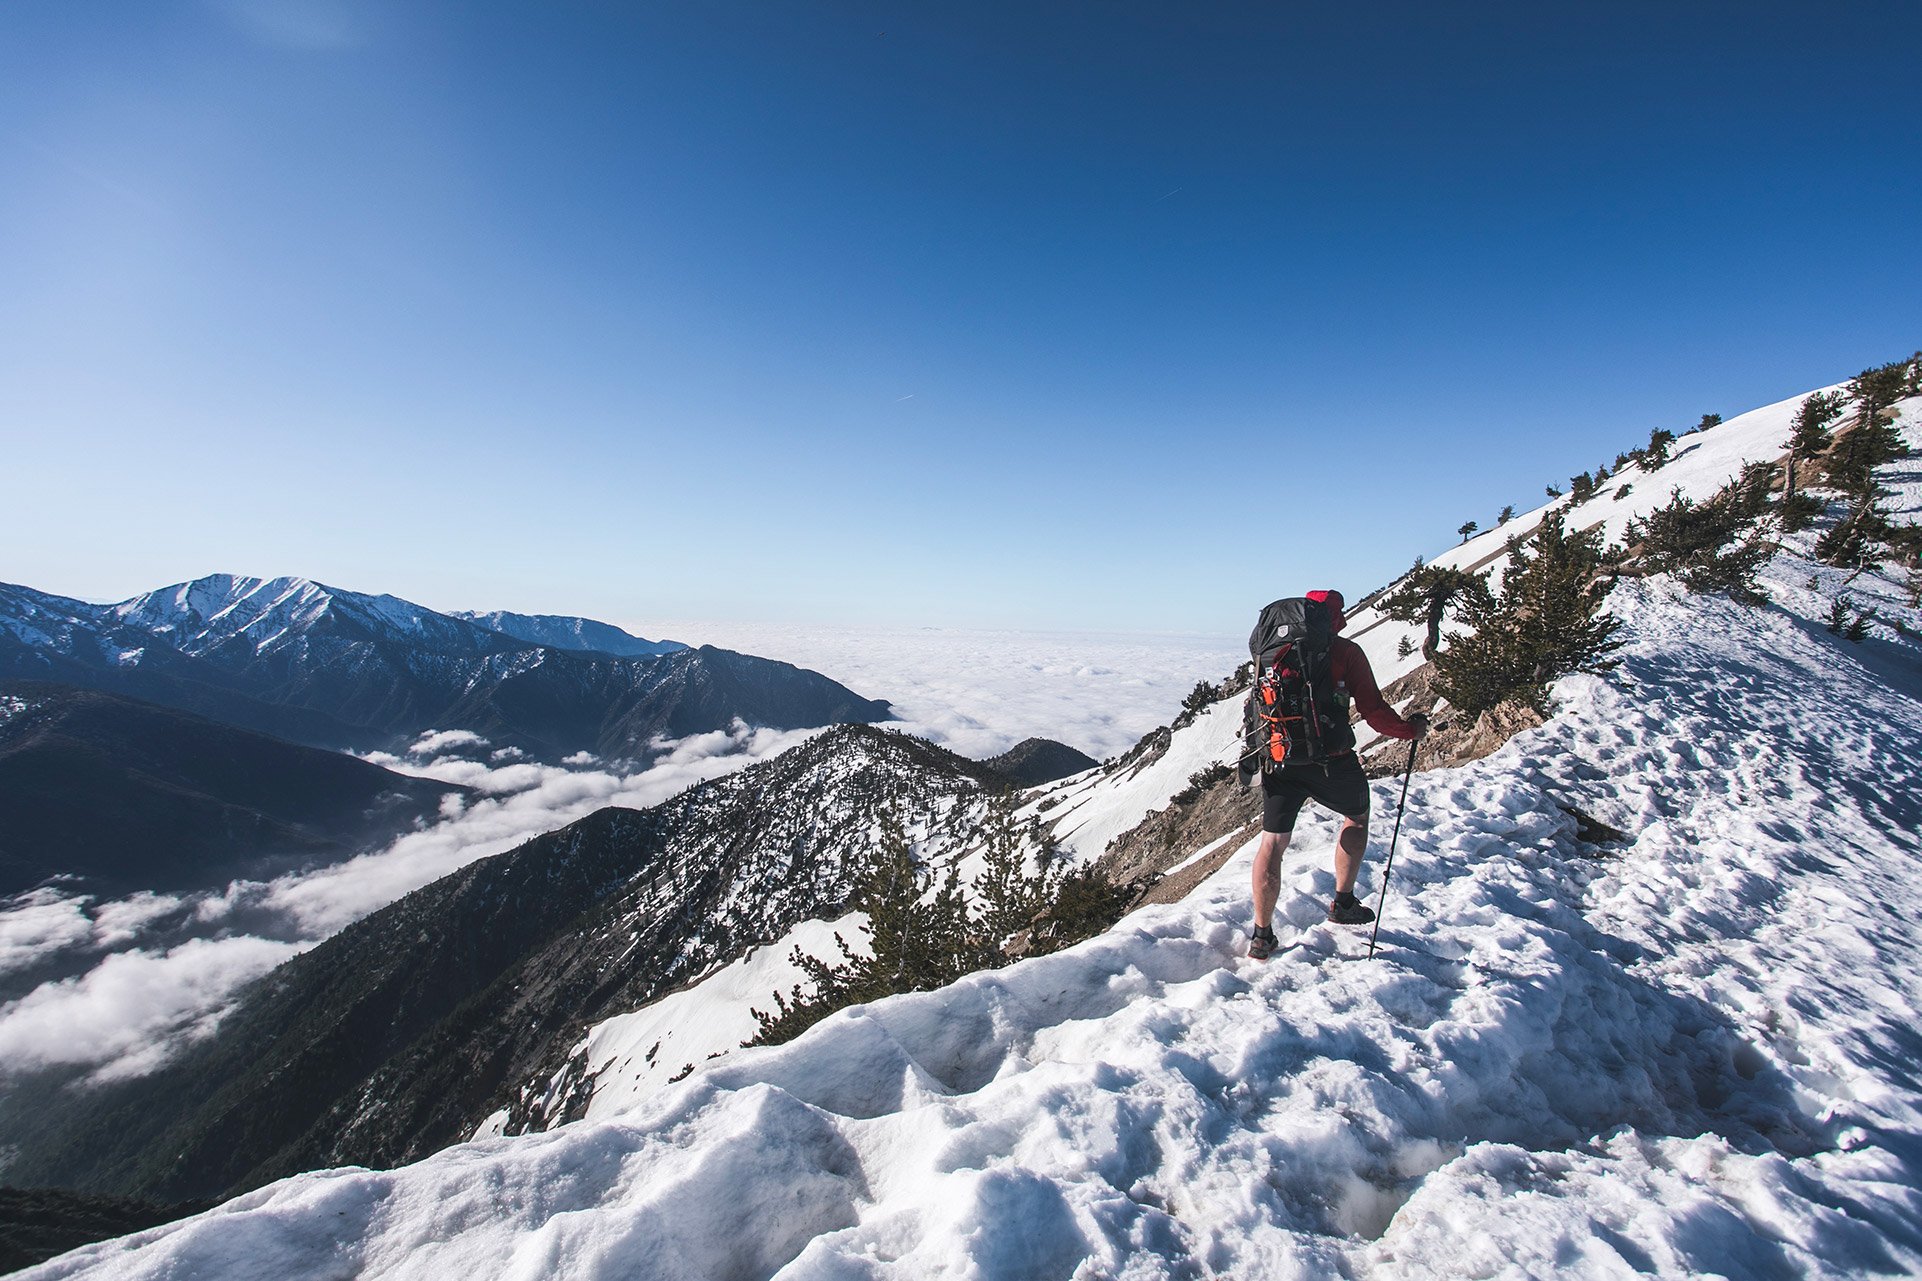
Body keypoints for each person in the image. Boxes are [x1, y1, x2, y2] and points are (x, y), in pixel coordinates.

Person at [1248, 589, 1427, 959]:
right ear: (1331, 616)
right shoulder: (1345, 652)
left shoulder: (1272, 648)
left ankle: (1261, 935)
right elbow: (1374, 711)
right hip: (1332, 759)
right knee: (1356, 818)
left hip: (1280, 757)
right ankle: (1343, 902)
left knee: (1272, 843)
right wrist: (1410, 730)